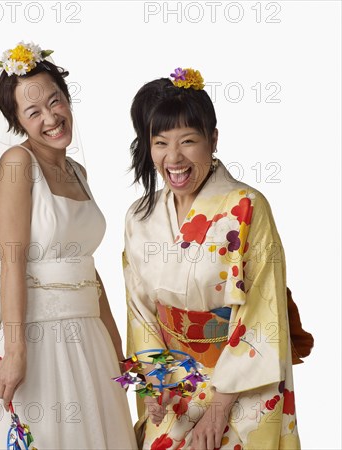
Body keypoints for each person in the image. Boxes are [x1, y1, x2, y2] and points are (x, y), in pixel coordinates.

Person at [0, 42, 137, 449]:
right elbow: (11, 262)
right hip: (38, 339)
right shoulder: (18, 165)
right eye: (33, 112)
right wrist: (16, 350)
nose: (51, 118)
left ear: (67, 98)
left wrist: (115, 345)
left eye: (55, 102)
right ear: (17, 121)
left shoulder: (78, 170)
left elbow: (87, 268)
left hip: (88, 336)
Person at [123, 68, 300, 449]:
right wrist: (155, 387)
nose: (174, 158)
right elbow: (140, 314)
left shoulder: (246, 207)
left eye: (188, 141)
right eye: (160, 143)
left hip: (238, 386)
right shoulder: (140, 216)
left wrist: (219, 410)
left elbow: (262, 312)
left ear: (213, 139)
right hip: (175, 386)